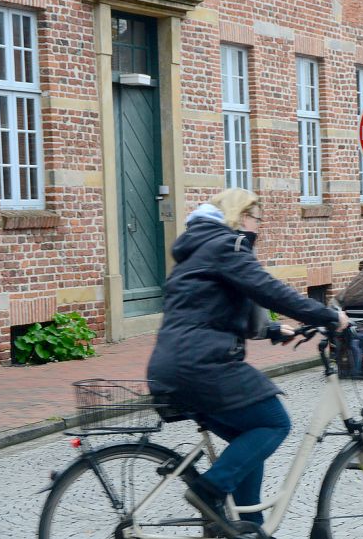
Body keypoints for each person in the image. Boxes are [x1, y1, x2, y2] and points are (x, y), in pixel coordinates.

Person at [147, 188, 349, 535]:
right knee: (272, 422)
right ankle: (209, 490)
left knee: (247, 435)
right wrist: (326, 315)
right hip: (202, 365)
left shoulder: (198, 248)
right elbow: (267, 289)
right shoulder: (228, 244)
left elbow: (209, 308)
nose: (258, 228)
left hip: (173, 364)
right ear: (242, 217)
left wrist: (271, 329)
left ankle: (244, 527)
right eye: (257, 220)